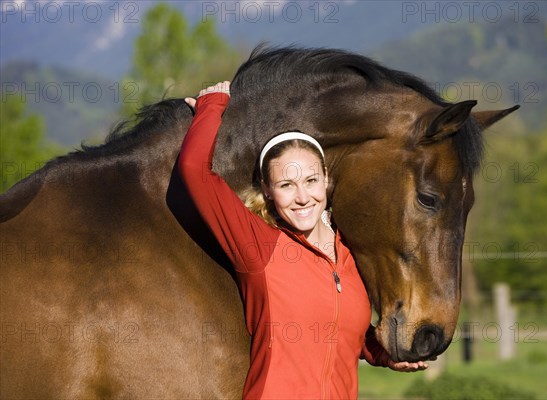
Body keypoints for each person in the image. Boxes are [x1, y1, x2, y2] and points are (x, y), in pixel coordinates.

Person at [178, 81, 427, 399]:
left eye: (310, 180)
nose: (302, 197)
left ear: (325, 178)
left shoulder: (353, 255)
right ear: (268, 190)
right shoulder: (258, 246)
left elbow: (339, 330)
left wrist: (381, 353)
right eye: (286, 185)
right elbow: (194, 171)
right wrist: (211, 105)